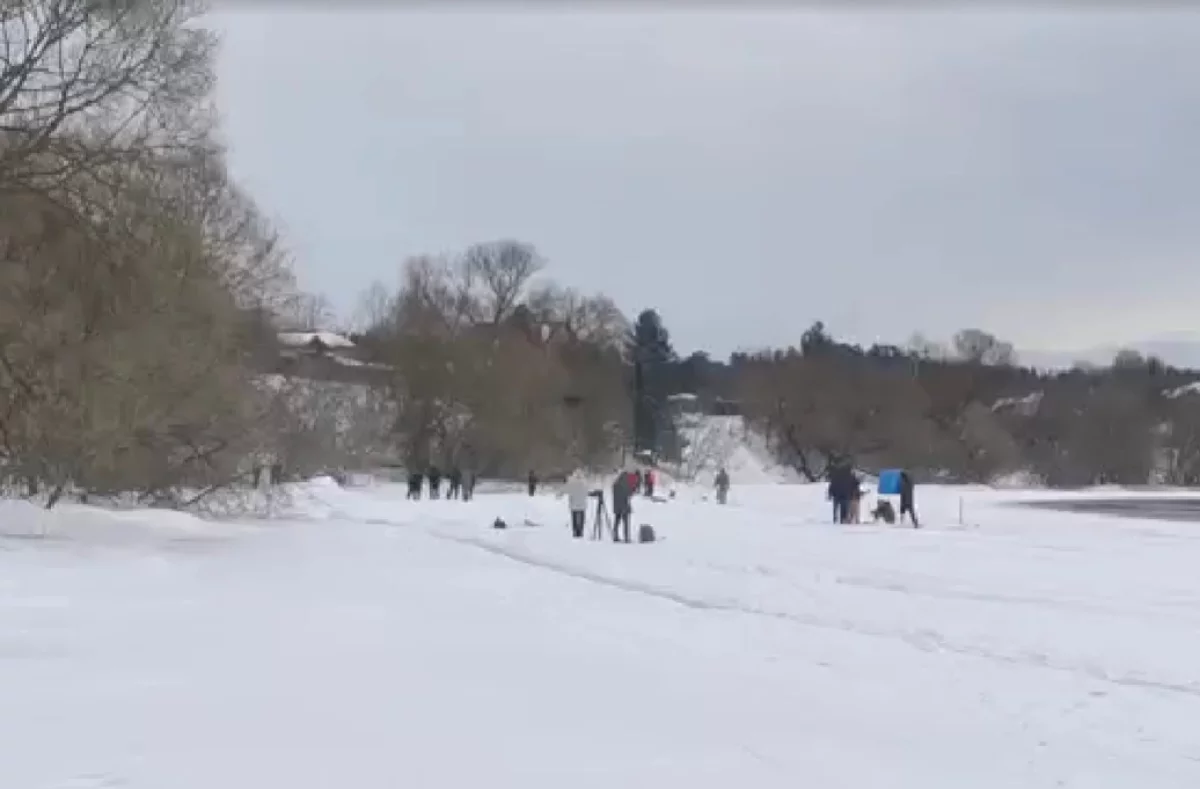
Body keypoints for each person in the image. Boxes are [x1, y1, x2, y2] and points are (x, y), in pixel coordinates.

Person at [566, 470, 589, 539]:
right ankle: (581, 531)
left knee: (574, 518)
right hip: (582, 504)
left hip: (573, 504)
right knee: (581, 518)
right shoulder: (584, 482)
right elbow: (587, 491)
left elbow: (567, 490)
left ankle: (575, 531)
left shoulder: (571, 482)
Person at [611, 470, 633, 543]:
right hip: (624, 506)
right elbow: (629, 494)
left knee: (617, 521)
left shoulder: (615, 484)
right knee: (626, 522)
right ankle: (626, 537)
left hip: (617, 506)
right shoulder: (626, 485)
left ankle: (615, 535)